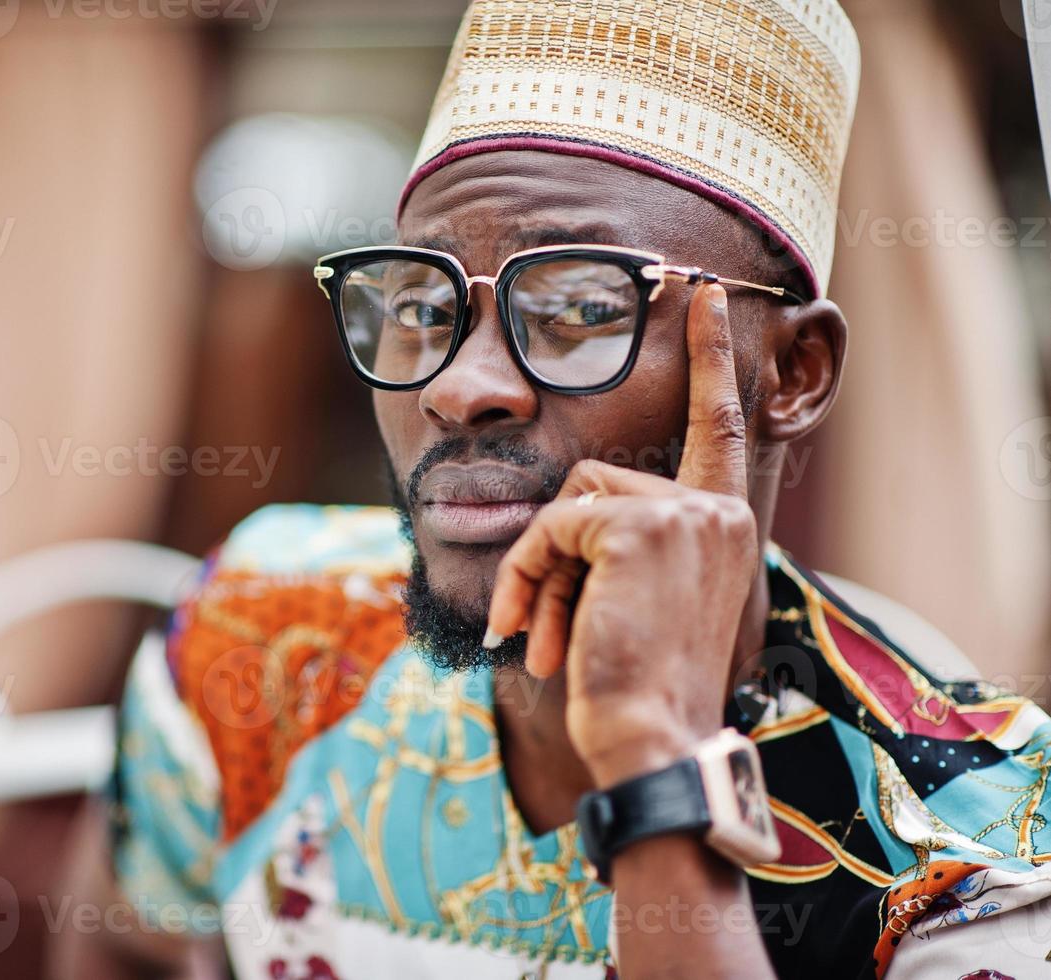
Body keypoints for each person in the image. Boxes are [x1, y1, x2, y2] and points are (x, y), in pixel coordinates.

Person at [81, 1, 1051, 976]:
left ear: (793, 370)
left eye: (582, 309)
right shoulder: (263, 630)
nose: (459, 386)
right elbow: (127, 945)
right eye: (421, 304)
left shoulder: (974, 857)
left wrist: (659, 764)